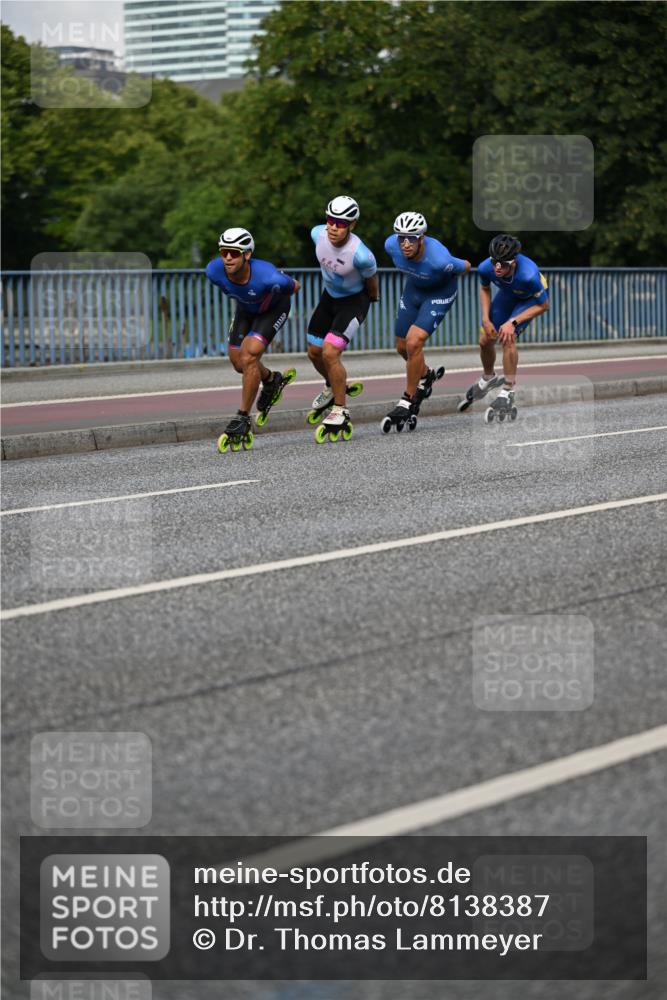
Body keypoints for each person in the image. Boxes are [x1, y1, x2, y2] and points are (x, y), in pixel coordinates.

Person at [206, 227, 300, 442]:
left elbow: (296, 285)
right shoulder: (213, 271)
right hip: (246, 310)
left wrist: (281, 283)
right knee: (239, 363)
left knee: (249, 356)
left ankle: (243, 417)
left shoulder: (267, 276)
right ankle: (271, 380)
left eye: (235, 253)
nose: (228, 258)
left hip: (273, 310)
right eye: (224, 252)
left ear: (247, 255)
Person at [383, 212, 471, 431]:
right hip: (413, 291)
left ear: (421, 238)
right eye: (401, 237)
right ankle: (426, 375)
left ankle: (407, 399)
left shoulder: (440, 259)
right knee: (402, 347)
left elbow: (466, 266)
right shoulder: (390, 246)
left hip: (439, 294)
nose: (404, 243)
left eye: (411, 238)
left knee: (414, 343)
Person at [307, 196, 378, 435]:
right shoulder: (317, 234)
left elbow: (371, 280)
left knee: (330, 352)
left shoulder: (361, 255)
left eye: (341, 223)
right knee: (314, 352)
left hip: (353, 302)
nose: (334, 227)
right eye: (330, 220)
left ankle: (340, 408)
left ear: (352, 225)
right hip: (329, 299)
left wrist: (371, 301)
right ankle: (332, 386)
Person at [459, 234, 549, 417]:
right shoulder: (486, 267)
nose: (498, 268)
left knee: (508, 337)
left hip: (531, 300)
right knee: (485, 339)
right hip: (509, 295)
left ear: (514, 262)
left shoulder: (528, 275)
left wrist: (513, 322)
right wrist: (486, 318)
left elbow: (544, 305)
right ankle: (489, 377)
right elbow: (484, 289)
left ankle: (508, 390)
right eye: (495, 263)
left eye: (504, 264)